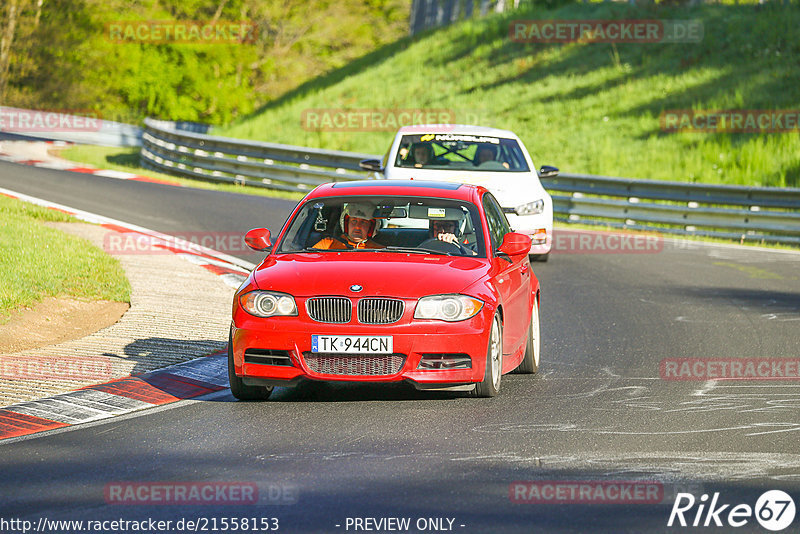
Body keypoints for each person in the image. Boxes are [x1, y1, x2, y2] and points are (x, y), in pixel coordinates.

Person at [314, 202, 385, 249]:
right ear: (345, 224)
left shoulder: (379, 251)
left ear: (371, 227)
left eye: (363, 222)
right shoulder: (326, 245)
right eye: (354, 221)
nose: (357, 226)